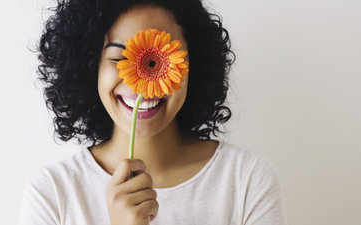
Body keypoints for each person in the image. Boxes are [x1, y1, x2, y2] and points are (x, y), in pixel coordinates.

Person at [18, 0, 288, 224]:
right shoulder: (53, 194)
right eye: (118, 58)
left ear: (194, 65)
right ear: (90, 68)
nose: (141, 82)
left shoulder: (247, 181)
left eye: (158, 60)